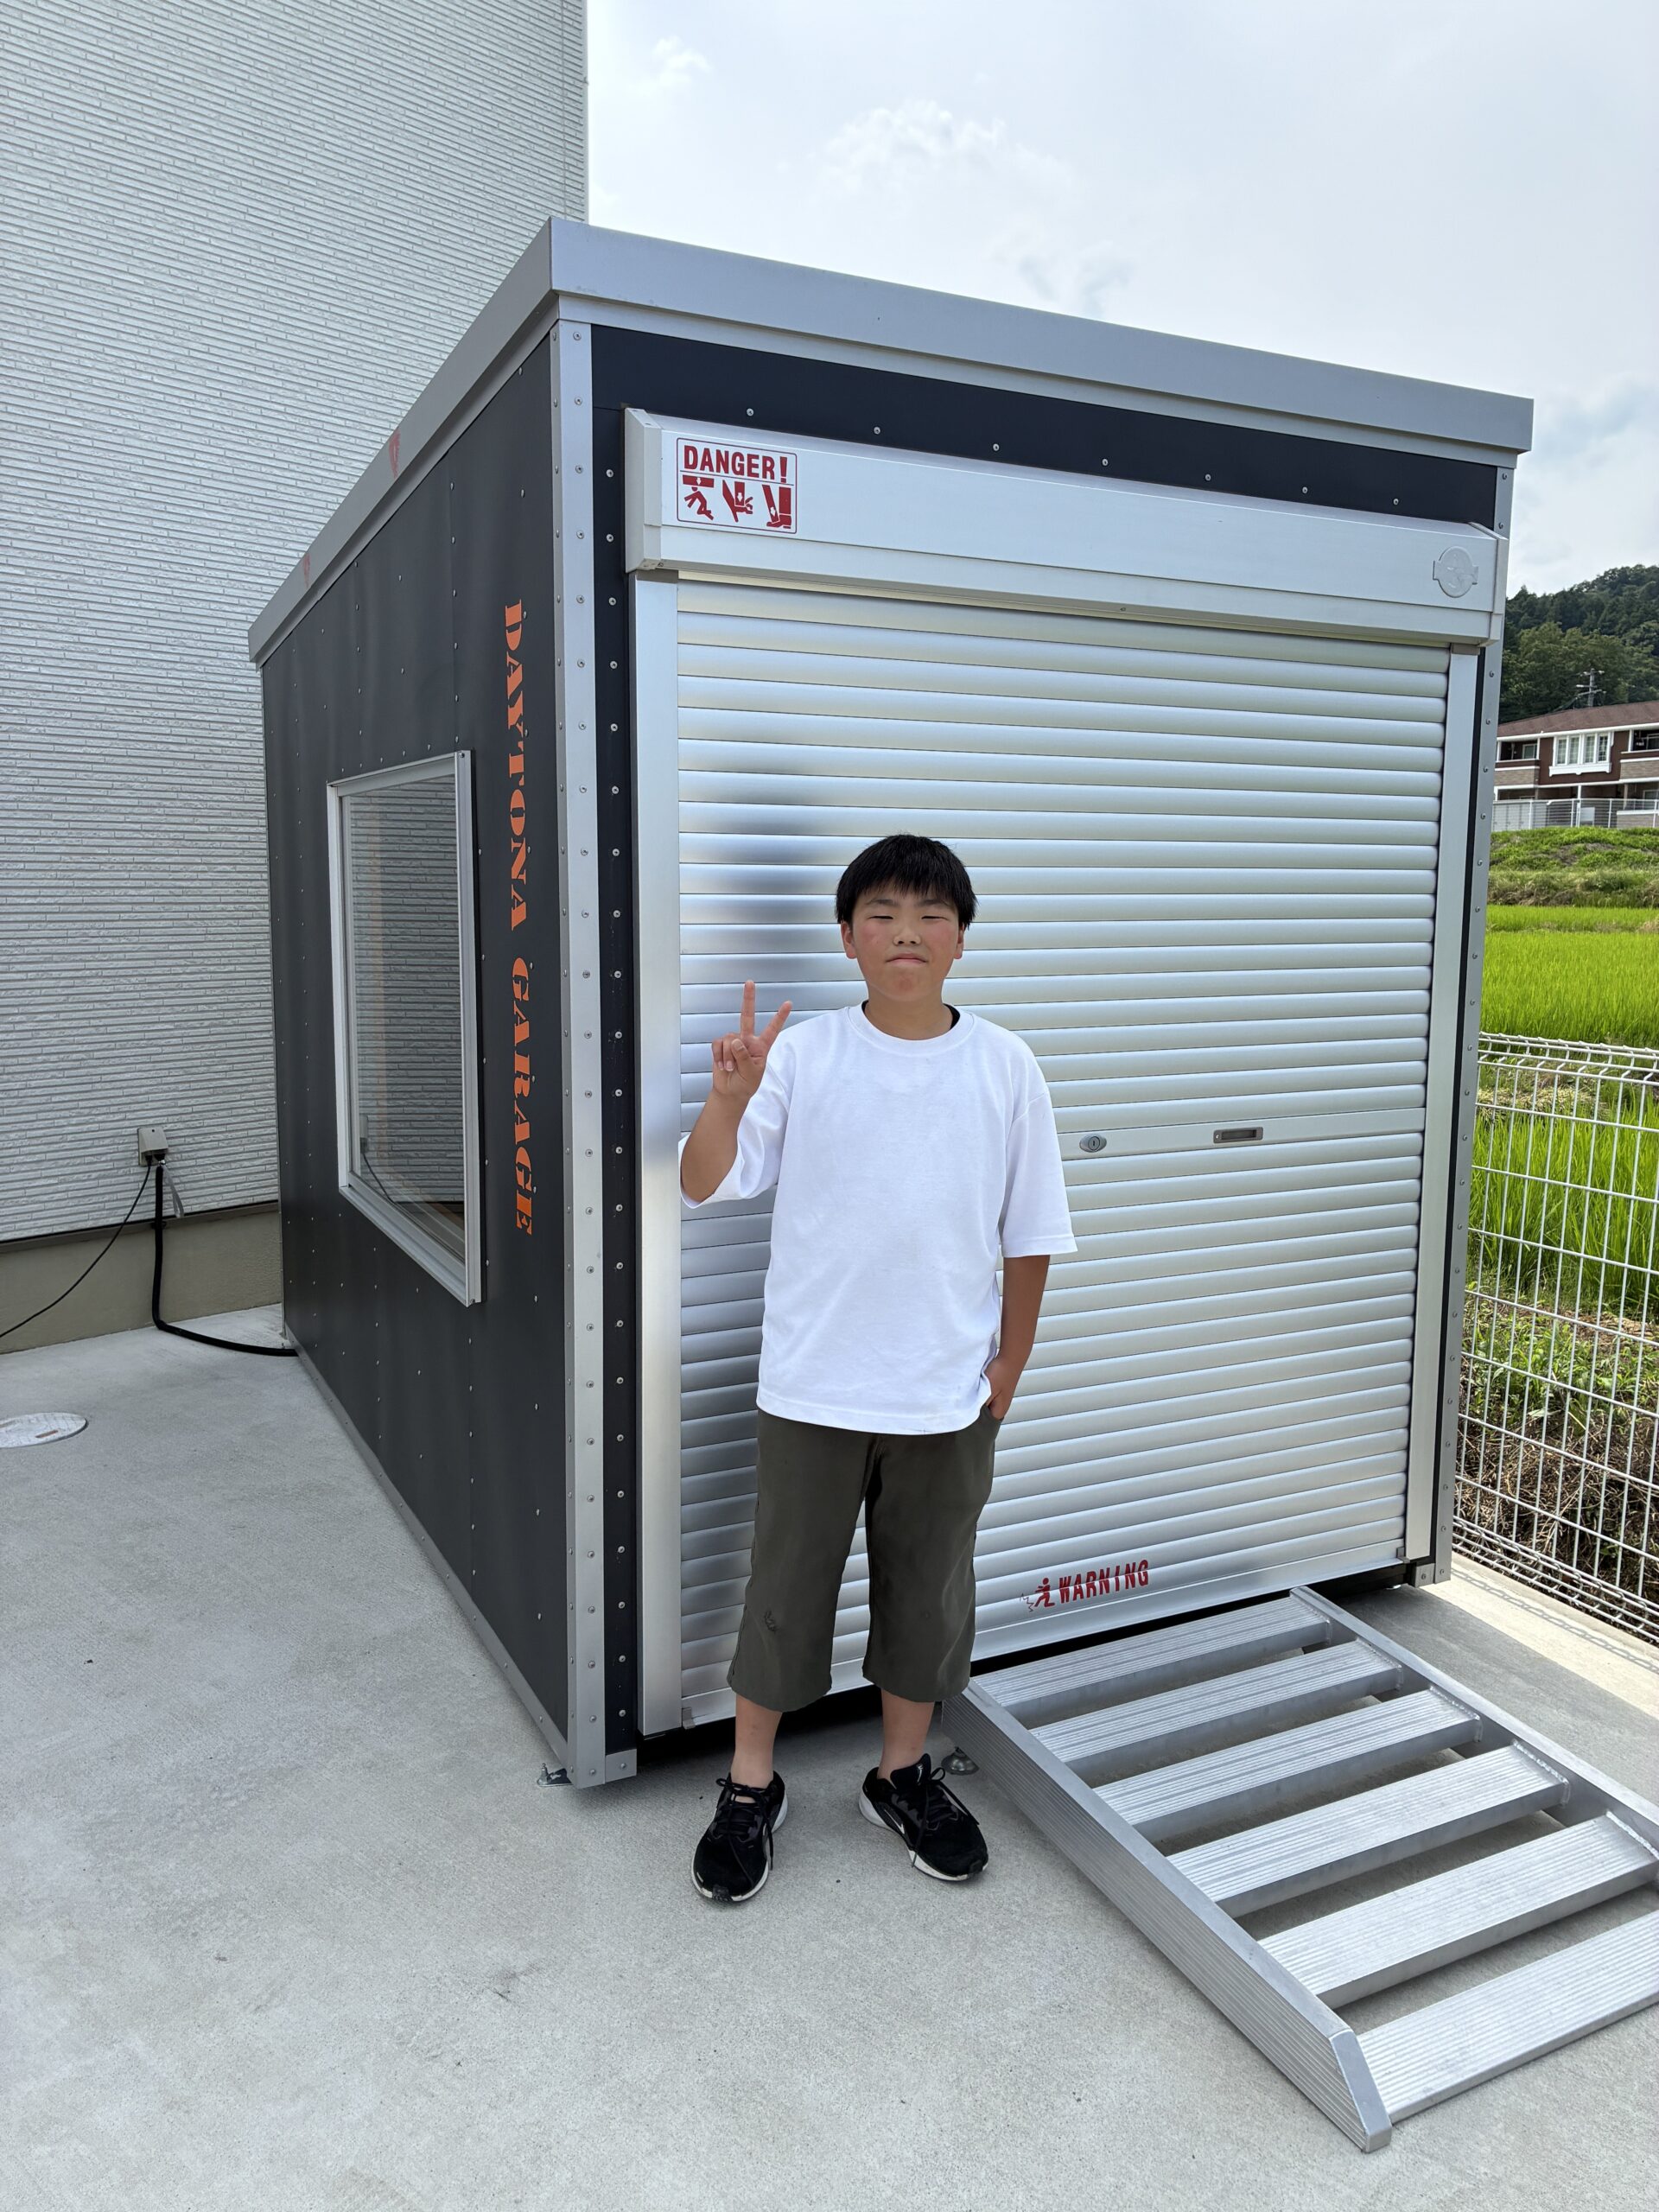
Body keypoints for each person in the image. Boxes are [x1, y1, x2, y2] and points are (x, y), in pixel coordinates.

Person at [678, 832, 1077, 1903]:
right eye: (884, 914)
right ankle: (751, 1784)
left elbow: (1032, 1229)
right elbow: (703, 1182)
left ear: (962, 940)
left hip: (947, 1393)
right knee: (783, 1592)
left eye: (932, 914)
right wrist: (727, 1099)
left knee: (928, 1597)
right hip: (812, 1385)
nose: (909, 932)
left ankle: (900, 1774)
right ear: (848, 937)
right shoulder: (805, 1056)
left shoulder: (1004, 1064)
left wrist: (1011, 1362)